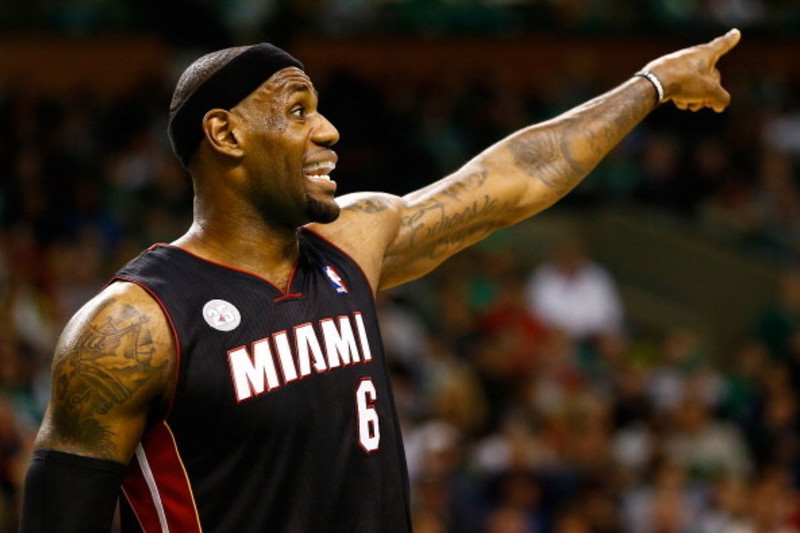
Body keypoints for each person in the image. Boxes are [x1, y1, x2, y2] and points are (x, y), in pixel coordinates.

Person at [20, 29, 741, 532]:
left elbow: (513, 177)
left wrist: (649, 86)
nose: (328, 130)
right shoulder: (131, 324)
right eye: (298, 109)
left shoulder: (351, 243)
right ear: (226, 134)